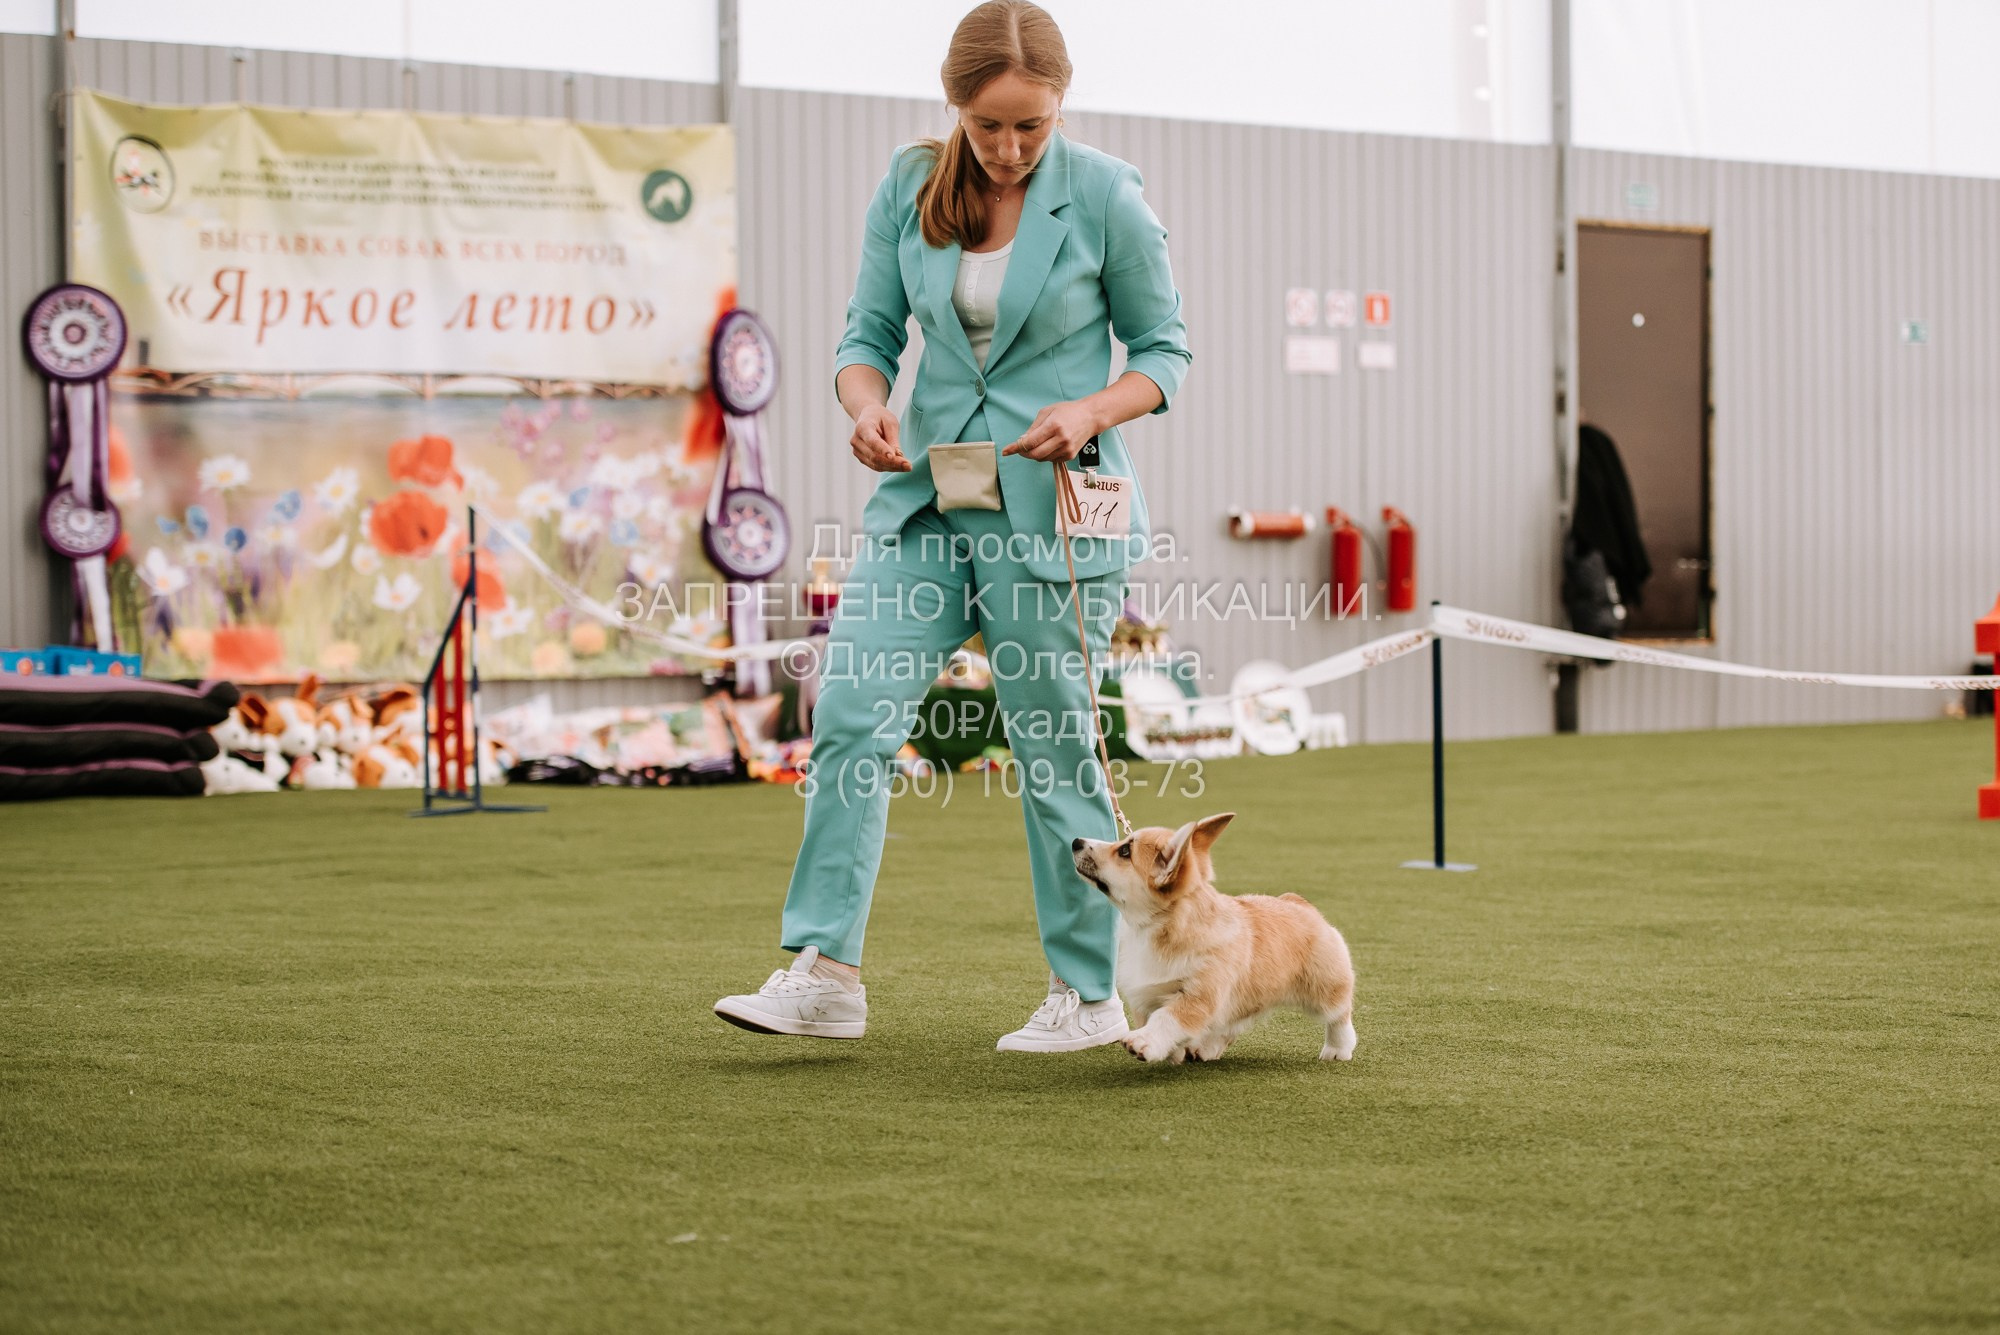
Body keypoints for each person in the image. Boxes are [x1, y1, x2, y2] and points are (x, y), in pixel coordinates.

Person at [713, 0, 1191, 1051]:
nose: (1010, 148)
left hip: (1055, 514)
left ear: (1060, 106)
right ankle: (825, 972)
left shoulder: (1105, 193)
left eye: (1031, 125)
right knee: (849, 713)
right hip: (928, 502)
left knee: (1052, 749)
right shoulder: (909, 184)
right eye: (988, 127)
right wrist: (865, 407)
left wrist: (1090, 411)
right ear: (954, 108)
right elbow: (866, 336)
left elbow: (1165, 353)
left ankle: (1087, 996)